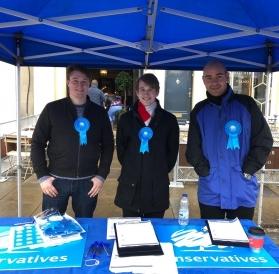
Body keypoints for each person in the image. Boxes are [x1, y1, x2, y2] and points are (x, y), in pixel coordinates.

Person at [185, 59, 273, 220]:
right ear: (203, 80)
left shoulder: (247, 105)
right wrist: (205, 172)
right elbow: (192, 149)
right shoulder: (199, 110)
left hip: (242, 187)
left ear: (227, 76)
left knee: (241, 240)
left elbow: (264, 140)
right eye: (209, 77)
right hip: (211, 188)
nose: (214, 82)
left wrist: (248, 170)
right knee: (211, 239)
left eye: (219, 76)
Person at [30, 64, 114, 218]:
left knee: (85, 225)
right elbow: (37, 144)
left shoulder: (99, 113)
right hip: (55, 181)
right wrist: (42, 176)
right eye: (75, 80)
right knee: (51, 225)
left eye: (84, 81)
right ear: (68, 82)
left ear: (89, 84)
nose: (80, 85)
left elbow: (108, 146)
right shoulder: (52, 109)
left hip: (88, 182)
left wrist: (101, 175)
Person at [114, 73, 179, 218]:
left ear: (157, 92)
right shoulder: (125, 120)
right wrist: (134, 167)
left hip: (156, 188)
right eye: (142, 89)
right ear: (136, 92)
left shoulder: (169, 120)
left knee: (155, 233)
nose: (146, 93)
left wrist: (157, 170)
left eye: (151, 89)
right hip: (131, 186)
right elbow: (121, 151)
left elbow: (172, 153)